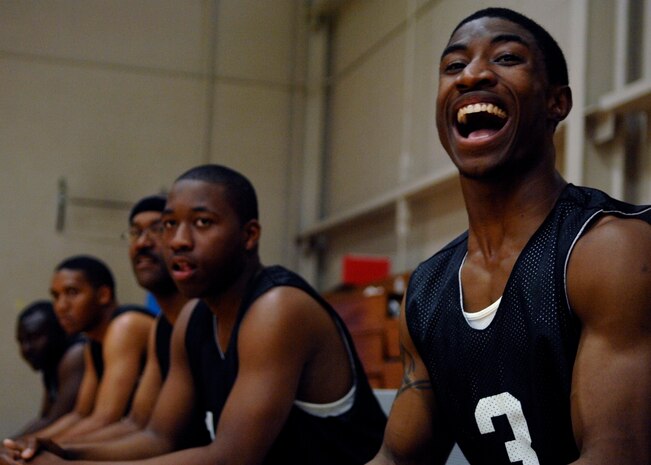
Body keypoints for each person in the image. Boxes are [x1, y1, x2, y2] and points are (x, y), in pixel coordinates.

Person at [367, 7, 651, 465]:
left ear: (556, 103)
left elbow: (618, 454)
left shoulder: (608, 250)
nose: (472, 75)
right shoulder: (428, 291)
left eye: (506, 58)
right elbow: (398, 457)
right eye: (454, 66)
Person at [19, 164, 387, 465]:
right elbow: (157, 437)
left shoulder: (278, 308)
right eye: (170, 224)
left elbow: (231, 458)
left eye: (202, 222)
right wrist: (64, 450)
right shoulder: (193, 317)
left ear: (249, 235)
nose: (178, 240)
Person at [34, 196, 210, 454]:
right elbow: (139, 426)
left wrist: (58, 453)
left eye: (159, 228)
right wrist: (36, 449)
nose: (142, 242)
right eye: (135, 232)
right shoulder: (162, 327)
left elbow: (107, 420)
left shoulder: (128, 325)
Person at [4, 255, 155, 450]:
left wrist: (34, 448)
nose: (61, 306)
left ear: (103, 295)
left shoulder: (125, 326)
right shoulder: (93, 342)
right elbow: (80, 415)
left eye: (72, 292)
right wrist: (19, 445)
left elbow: (104, 419)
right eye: (56, 296)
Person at [12, 301, 85, 437]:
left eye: (33, 338)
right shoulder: (51, 362)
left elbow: (56, 420)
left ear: (59, 331)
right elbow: (45, 418)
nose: (25, 348)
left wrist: (8, 445)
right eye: (21, 341)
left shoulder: (76, 355)